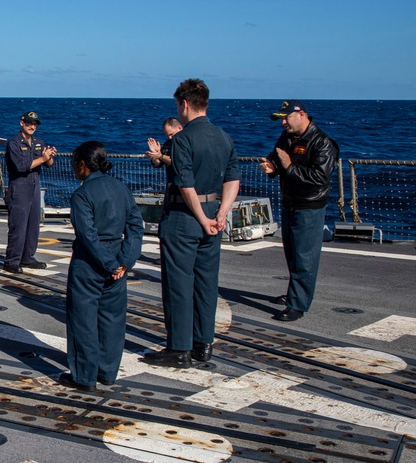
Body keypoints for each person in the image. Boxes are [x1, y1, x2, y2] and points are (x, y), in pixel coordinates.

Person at [145, 79, 240, 368]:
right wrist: (221, 213)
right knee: (207, 283)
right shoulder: (224, 137)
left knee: (178, 284)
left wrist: (200, 217)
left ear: (184, 104)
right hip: (215, 212)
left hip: (185, 216)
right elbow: (233, 179)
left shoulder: (182, 140)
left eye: (177, 105)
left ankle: (179, 348)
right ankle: (203, 343)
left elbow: (185, 184)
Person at [59, 142, 143, 391]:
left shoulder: (82, 194)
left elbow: (87, 235)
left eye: (75, 163)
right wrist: (124, 262)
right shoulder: (121, 188)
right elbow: (136, 227)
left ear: (83, 165)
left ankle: (84, 376)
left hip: (90, 262)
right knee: (113, 319)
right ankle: (107, 372)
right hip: (118, 256)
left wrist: (109, 264)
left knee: (83, 319)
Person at [261, 100, 339, 322]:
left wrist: (288, 167)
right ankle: (293, 294)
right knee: (293, 254)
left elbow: (319, 178)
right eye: (281, 118)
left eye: (286, 117)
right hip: (290, 202)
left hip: (309, 205)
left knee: (305, 256)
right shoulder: (287, 138)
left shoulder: (322, 143)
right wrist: (272, 168)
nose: (283, 122)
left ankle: (298, 304)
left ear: (302, 115)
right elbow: (276, 159)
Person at [3, 111, 56, 274]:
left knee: (33, 225)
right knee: (18, 225)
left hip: (34, 186)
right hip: (19, 187)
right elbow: (20, 166)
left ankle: (28, 257)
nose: (32, 126)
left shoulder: (38, 142)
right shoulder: (14, 143)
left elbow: (49, 164)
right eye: (29, 123)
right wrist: (42, 158)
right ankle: (12, 260)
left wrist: (49, 156)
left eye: (35, 124)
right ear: (22, 123)